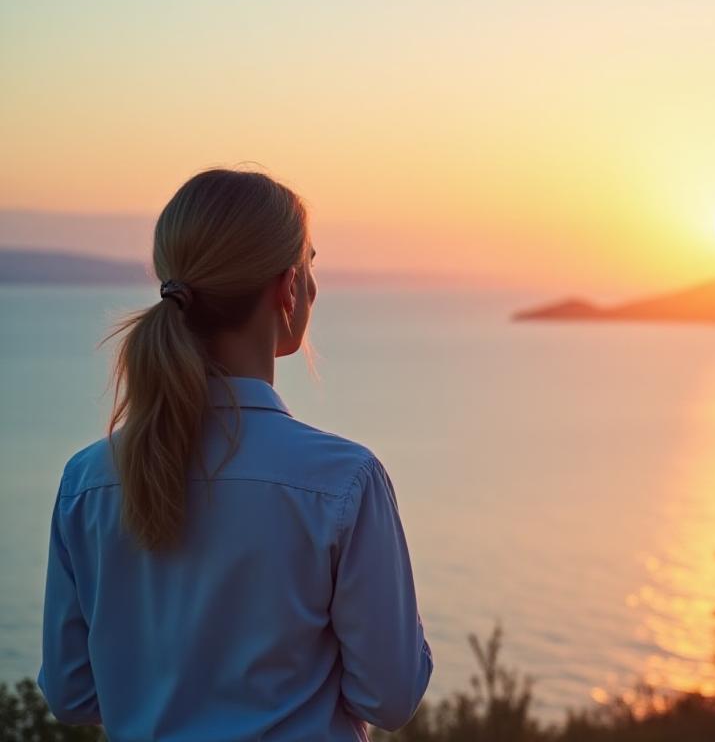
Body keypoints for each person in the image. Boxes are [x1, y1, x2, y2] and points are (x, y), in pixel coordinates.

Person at [38, 169, 432, 740]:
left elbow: (72, 693)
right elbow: (390, 697)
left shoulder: (88, 481)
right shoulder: (343, 482)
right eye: (310, 263)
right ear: (288, 287)